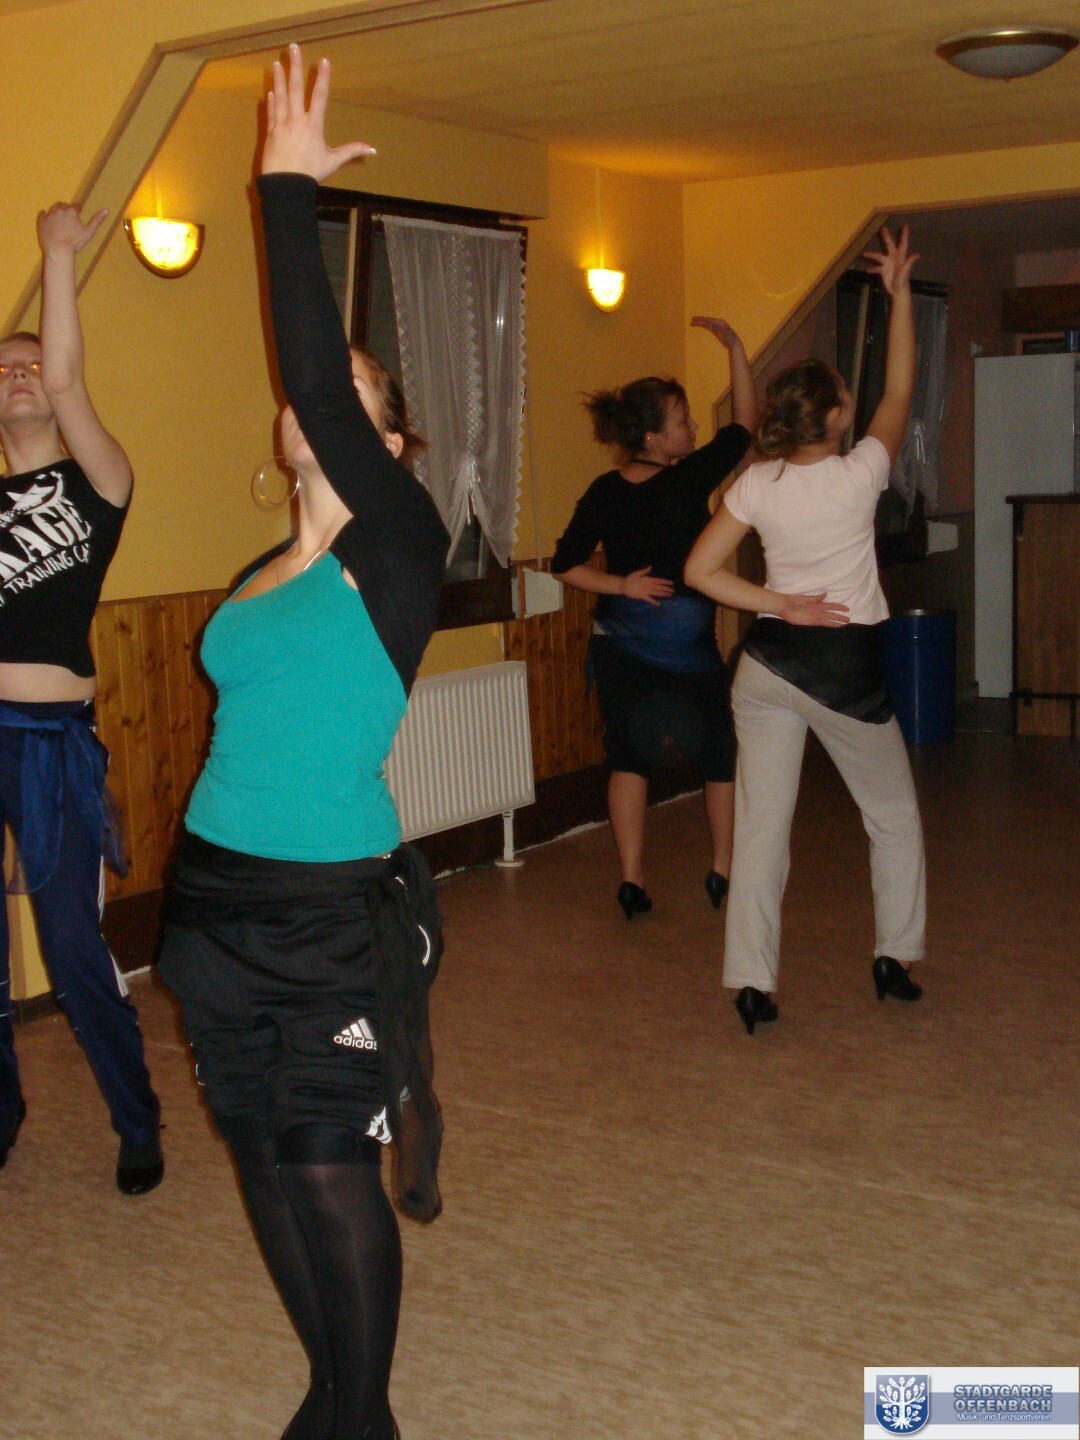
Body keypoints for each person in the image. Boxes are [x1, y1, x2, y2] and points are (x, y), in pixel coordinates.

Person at [157, 47, 449, 1440]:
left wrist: (286, 196)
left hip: (331, 917)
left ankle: (362, 1413)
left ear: (384, 438)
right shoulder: (259, 572)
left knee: (331, 1162)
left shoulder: (395, 551)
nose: (319, 399)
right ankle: (328, 1396)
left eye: (350, 389)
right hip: (212, 907)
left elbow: (320, 384)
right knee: (266, 1159)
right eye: (320, 388)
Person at [685, 226, 926, 1035]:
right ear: (835, 419)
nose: (856, 404)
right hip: (843, 673)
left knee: (761, 831)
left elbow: (700, 571)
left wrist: (776, 604)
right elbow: (901, 387)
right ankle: (893, 958)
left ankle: (752, 986)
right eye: (846, 399)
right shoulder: (861, 474)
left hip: (765, 668)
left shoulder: (758, 483)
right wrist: (897, 296)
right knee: (891, 819)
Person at [0, 205, 163, 1194]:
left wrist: (59, 255)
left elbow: (66, 378)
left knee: (69, 946)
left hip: (51, 739)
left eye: (29, 364)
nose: (21, 376)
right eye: (3, 371)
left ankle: (137, 1118)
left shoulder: (96, 484)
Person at [552, 320, 756, 920]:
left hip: (651, 648)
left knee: (640, 757)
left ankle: (645, 877)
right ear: (653, 436)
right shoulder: (678, 481)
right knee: (706, 755)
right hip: (650, 649)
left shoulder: (618, 487)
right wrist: (735, 349)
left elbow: (565, 564)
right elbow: (745, 423)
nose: (693, 429)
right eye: (683, 421)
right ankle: (709, 872)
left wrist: (621, 586)